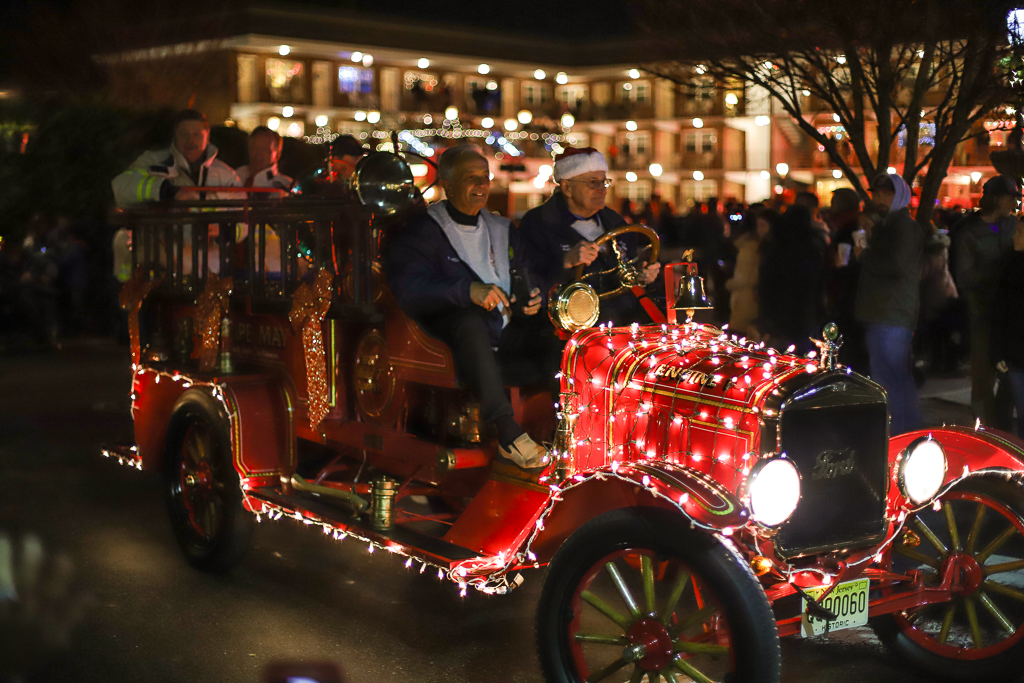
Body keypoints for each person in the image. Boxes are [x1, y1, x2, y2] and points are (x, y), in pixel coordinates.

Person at [385, 145, 549, 471]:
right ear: (446, 184)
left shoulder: (502, 229)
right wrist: (466, 291)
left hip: (503, 332)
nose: (482, 185)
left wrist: (531, 299)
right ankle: (508, 434)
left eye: (485, 177)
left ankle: (565, 422)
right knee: (469, 321)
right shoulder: (422, 232)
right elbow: (408, 290)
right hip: (453, 340)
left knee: (553, 330)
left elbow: (524, 276)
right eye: (470, 178)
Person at [519, 147, 660, 326]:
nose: (603, 189)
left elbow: (626, 271)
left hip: (623, 320)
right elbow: (528, 286)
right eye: (593, 182)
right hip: (567, 325)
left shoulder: (615, 222)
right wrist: (566, 263)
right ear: (567, 187)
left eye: (604, 182)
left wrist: (641, 274)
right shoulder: (537, 224)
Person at [855, 172, 925, 435]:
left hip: (891, 313)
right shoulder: (891, 226)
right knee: (895, 377)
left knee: (890, 378)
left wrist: (865, 255)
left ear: (900, 197)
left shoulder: (903, 227)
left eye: (886, 194)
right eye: (877, 193)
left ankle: (900, 433)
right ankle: (906, 431)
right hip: (887, 312)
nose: (880, 198)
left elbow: (896, 265)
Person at [952, 175, 1018, 427]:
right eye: (1011, 198)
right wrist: (1001, 271)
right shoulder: (969, 232)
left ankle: (1002, 426)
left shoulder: (1013, 225)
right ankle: (986, 430)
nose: (1014, 203)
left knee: (1012, 374)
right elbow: (965, 277)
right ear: (998, 199)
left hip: (1010, 313)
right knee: (983, 376)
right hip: (981, 313)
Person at [111, 109, 240, 208]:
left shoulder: (226, 175)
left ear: (208, 137)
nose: (190, 140)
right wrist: (165, 191)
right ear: (175, 136)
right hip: (162, 243)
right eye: (184, 134)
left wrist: (223, 233)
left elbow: (242, 216)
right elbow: (120, 187)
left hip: (207, 243)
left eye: (197, 134)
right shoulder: (152, 161)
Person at [758, 204, 827, 353]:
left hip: (779, 310)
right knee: (803, 352)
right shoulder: (813, 245)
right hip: (805, 309)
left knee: (780, 354)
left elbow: (766, 282)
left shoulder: (777, 246)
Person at [992, 218, 1024, 436]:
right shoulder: (1009, 266)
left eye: (1020, 232)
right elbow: (1001, 313)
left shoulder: (1010, 267)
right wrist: (998, 352)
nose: (1015, 236)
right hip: (1015, 354)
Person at [725, 205, 774, 340]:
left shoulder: (750, 247)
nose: (760, 230)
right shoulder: (754, 246)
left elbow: (744, 279)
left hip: (746, 301)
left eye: (763, 225)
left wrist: (729, 284)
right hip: (749, 301)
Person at [234, 126, 292, 193]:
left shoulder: (285, 186)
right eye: (254, 148)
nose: (258, 154)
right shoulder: (235, 176)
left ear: (277, 155)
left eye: (265, 149)